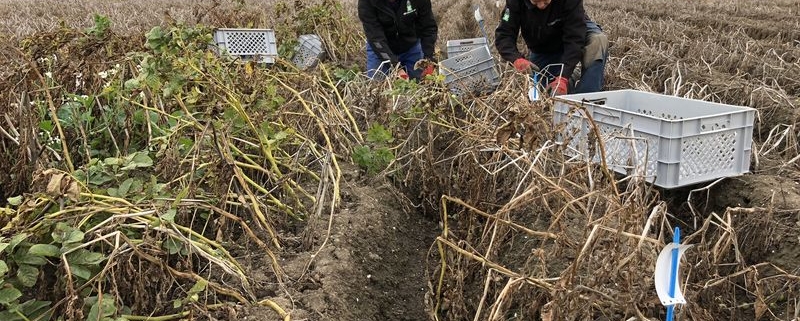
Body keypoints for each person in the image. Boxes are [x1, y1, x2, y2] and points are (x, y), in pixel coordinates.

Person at [495, 0, 608, 95]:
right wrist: (516, 59)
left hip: (575, 32)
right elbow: (504, 35)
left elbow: (575, 38)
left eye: (545, 1)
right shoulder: (513, 3)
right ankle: (573, 77)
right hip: (544, 47)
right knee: (545, 94)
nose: (540, 6)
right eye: (535, 2)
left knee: (597, 40)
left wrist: (563, 77)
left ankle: (587, 98)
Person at [358, 0, 438, 81]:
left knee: (419, 83)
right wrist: (396, 68)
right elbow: (375, 38)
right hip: (380, 49)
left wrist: (428, 59)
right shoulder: (367, 2)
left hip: (411, 47)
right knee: (377, 85)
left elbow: (428, 27)